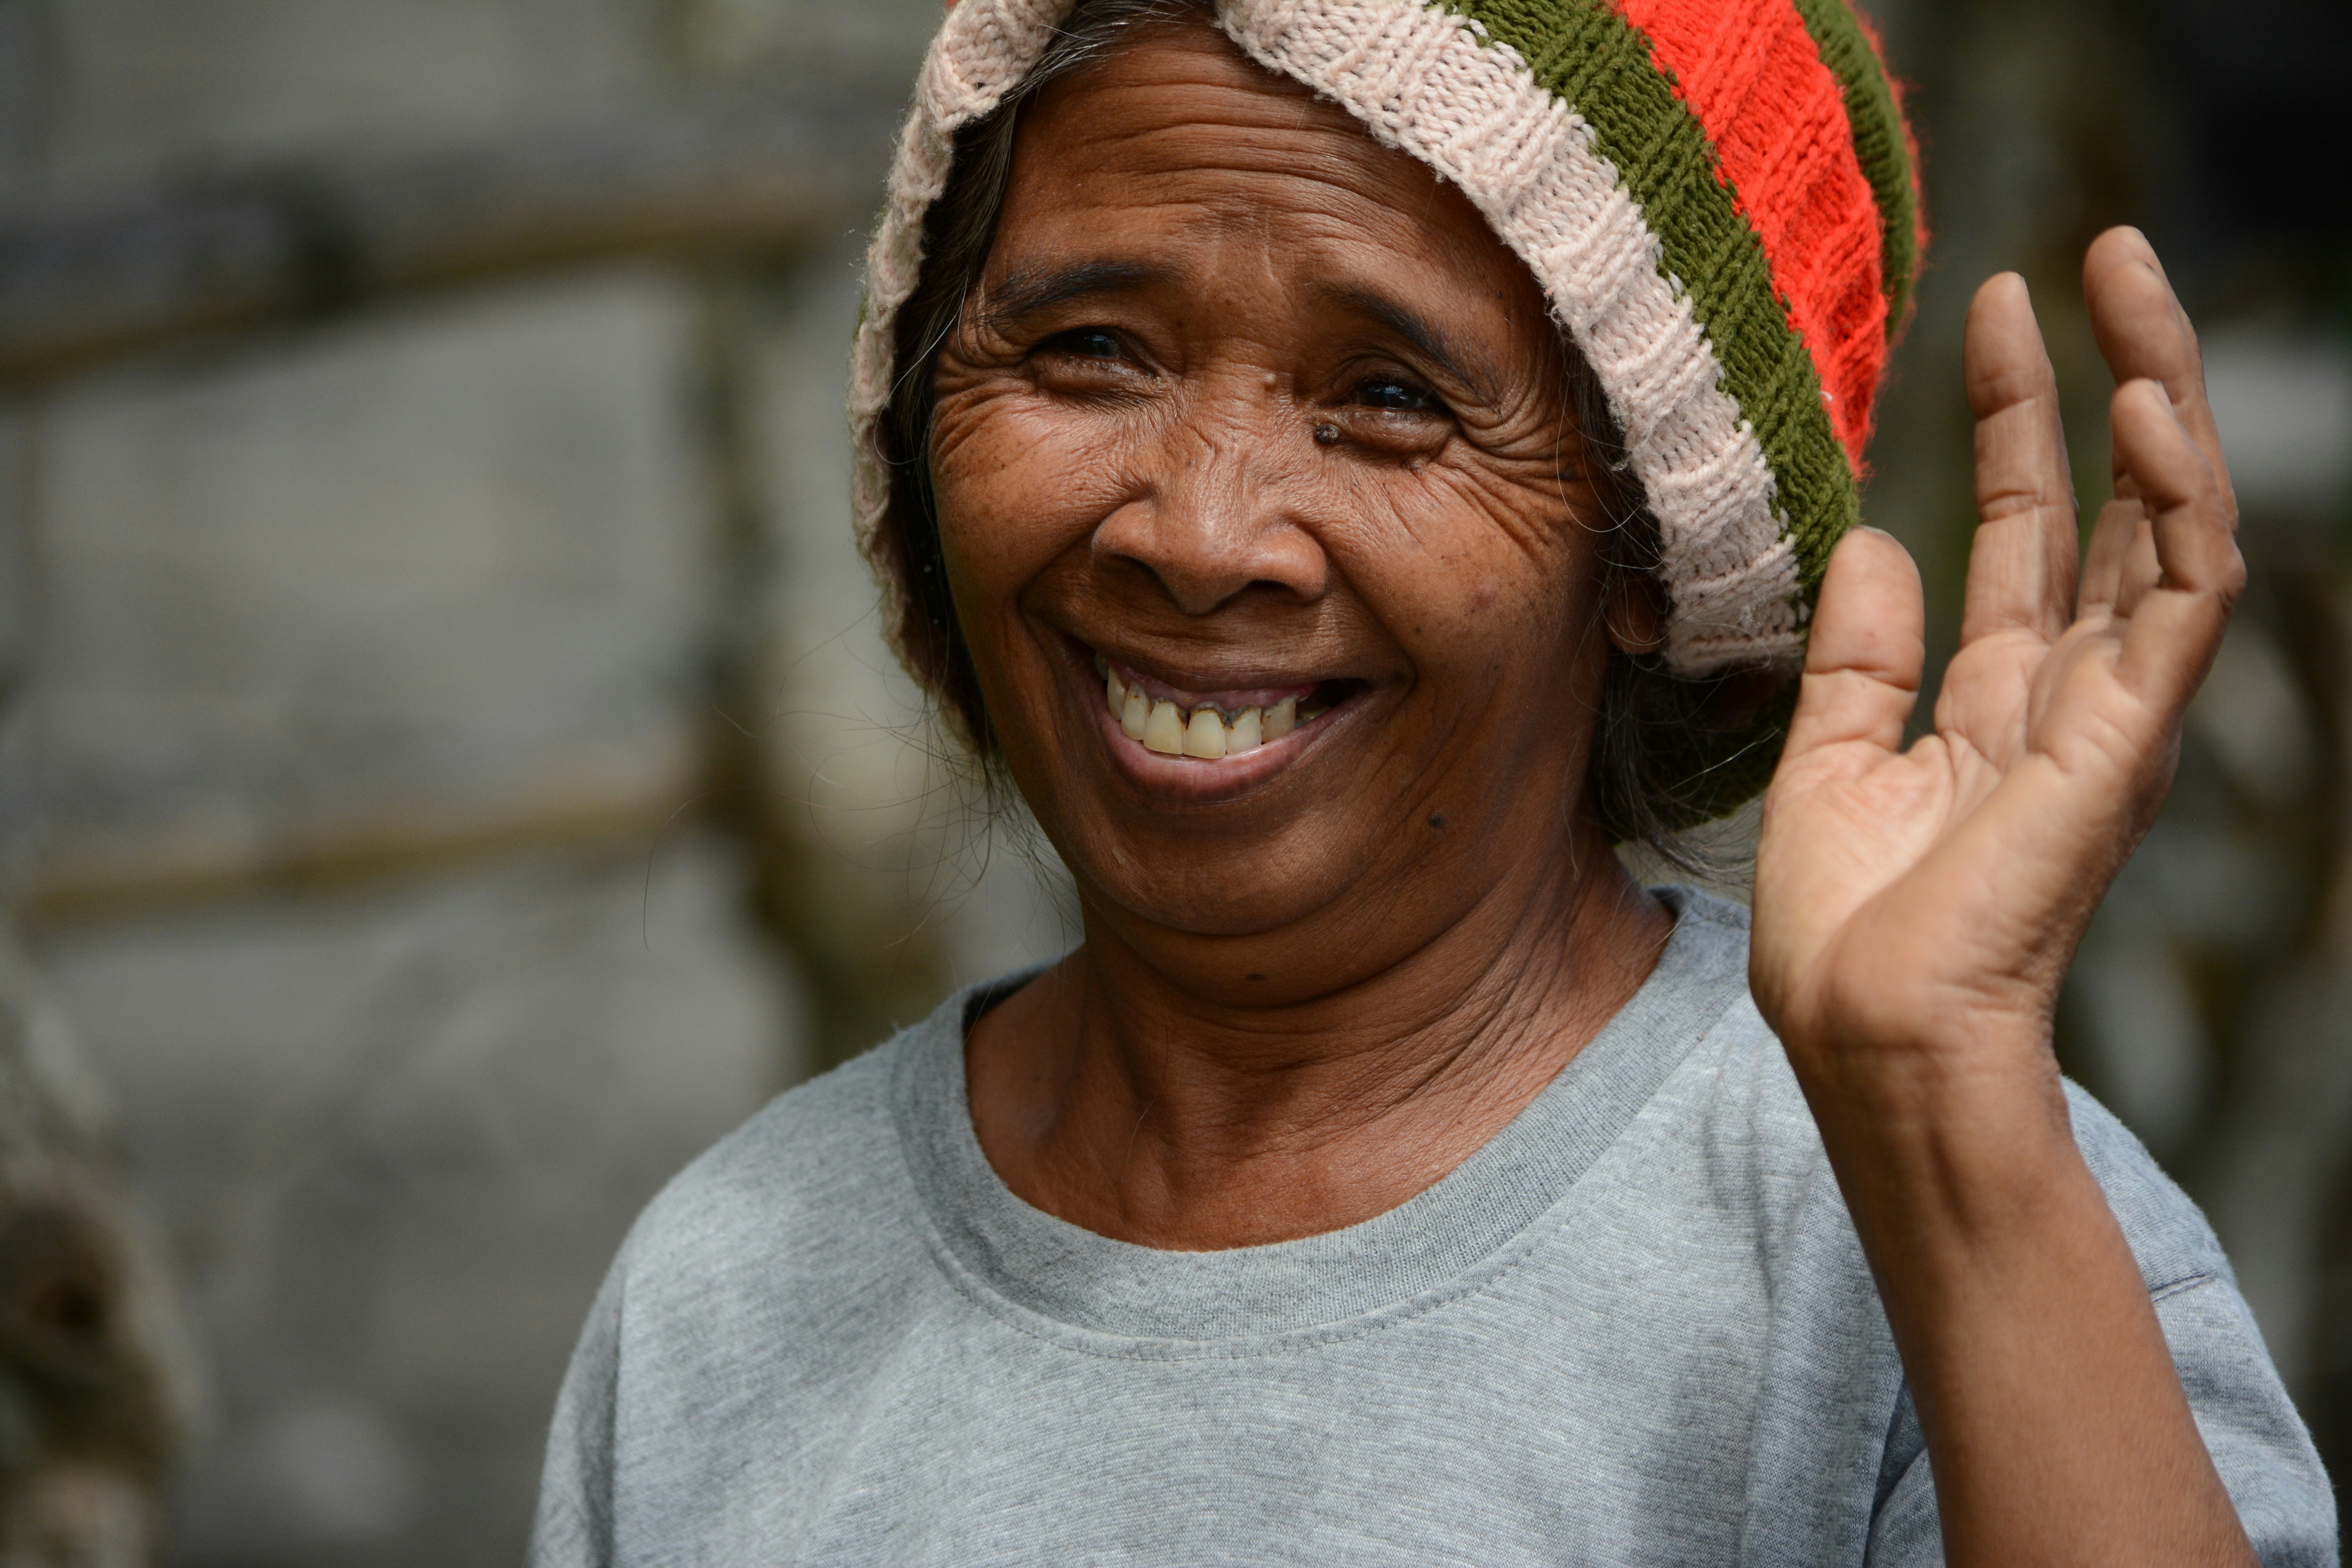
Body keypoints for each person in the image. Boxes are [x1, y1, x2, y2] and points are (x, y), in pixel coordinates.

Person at [532, 0, 2339, 1561]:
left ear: (1653, 559)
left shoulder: (1937, 1234)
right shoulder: (731, 1295)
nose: (1203, 529)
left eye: (1392, 399)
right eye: (1088, 349)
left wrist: (1950, 1127)